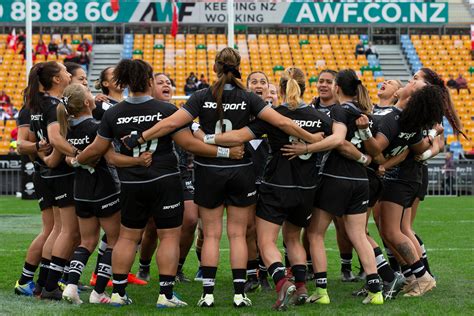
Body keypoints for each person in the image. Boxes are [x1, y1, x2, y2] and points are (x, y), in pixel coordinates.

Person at [120, 47, 322, 308]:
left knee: (212, 235)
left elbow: (171, 123)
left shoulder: (201, 95)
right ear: (238, 66)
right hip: (241, 169)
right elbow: (283, 122)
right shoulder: (249, 97)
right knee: (237, 235)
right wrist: (310, 139)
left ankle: (208, 295)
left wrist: (141, 136)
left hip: (208, 170)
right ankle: (239, 295)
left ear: (215, 67)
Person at [76, 59, 244, 308]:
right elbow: (189, 144)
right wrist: (225, 153)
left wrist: (76, 158)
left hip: (131, 184)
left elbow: (97, 150)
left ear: (124, 82)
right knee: (168, 237)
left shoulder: (113, 113)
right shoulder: (166, 111)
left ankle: (118, 293)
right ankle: (165, 295)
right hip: (164, 181)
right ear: (149, 80)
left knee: (127, 237)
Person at [206, 67, 346, 310]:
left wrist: (207, 138)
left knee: (266, 241)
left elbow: (239, 136)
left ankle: (281, 281)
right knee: (293, 238)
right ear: (305, 88)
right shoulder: (321, 117)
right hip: (306, 188)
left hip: (276, 185)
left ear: (280, 89)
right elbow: (338, 140)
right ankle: (301, 287)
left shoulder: (274, 115)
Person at [284, 69, 384, 305]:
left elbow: (338, 140)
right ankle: (376, 290)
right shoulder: (362, 112)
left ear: (338, 88)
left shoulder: (339, 109)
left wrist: (306, 148)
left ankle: (321, 291)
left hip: (335, 178)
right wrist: (364, 158)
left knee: (314, 234)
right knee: (359, 235)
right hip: (360, 180)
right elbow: (373, 151)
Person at [357, 81, 445, 297]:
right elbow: (418, 147)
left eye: (414, 82)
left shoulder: (393, 118)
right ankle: (414, 276)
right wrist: (432, 135)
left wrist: (364, 131)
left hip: (398, 181)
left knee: (393, 231)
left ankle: (422, 277)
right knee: (392, 230)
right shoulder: (409, 121)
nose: (409, 82)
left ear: (412, 96)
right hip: (399, 180)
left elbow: (377, 147)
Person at [56, 84, 125, 305]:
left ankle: (72, 286)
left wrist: (77, 160)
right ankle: (98, 293)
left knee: (86, 242)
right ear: (86, 103)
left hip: (81, 191)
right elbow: (110, 158)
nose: (94, 96)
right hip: (104, 188)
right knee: (115, 240)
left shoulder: (67, 130)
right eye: (89, 94)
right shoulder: (96, 126)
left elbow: (69, 158)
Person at [25, 61, 83, 300]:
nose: (69, 74)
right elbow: (55, 138)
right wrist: (78, 154)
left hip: (50, 174)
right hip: (61, 173)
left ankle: (42, 283)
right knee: (67, 231)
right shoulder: (53, 105)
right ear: (57, 80)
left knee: (58, 230)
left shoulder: (39, 104)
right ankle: (49, 285)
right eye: (65, 71)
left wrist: (46, 156)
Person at [136, 73, 200, 284]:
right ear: (149, 87)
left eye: (169, 83)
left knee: (190, 219)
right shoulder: (144, 112)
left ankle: (178, 268)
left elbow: (196, 135)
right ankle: (144, 266)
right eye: (160, 82)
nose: (166, 85)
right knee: (152, 225)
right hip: (153, 172)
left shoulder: (182, 112)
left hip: (182, 172)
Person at [13, 73, 55, 296]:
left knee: (61, 230)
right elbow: (22, 144)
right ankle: (29, 280)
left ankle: (53, 279)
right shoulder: (32, 107)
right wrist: (43, 157)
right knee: (53, 229)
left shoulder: (52, 104)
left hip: (51, 171)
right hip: (48, 173)